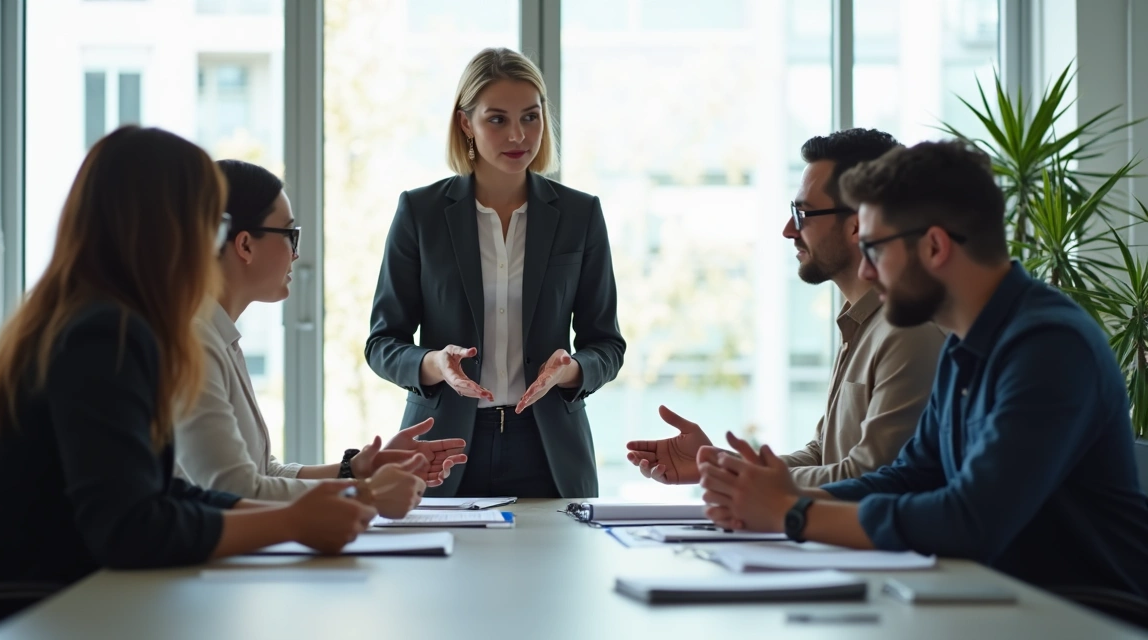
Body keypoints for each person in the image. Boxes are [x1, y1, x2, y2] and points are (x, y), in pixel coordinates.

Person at [0, 127, 377, 597]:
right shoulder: (104, 334)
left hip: (42, 596)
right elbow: (131, 529)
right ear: (169, 229)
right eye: (212, 225)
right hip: (9, 612)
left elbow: (162, 493)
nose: (215, 246)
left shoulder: (96, 318)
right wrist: (290, 522)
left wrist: (303, 511)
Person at [698, 140, 1148, 597]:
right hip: (994, 603)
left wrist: (792, 514)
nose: (867, 274)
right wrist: (781, 497)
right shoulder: (962, 345)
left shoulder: (1050, 347)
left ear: (934, 246)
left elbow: (971, 520)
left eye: (873, 249)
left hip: (1082, 618)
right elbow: (909, 477)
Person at [366, 47, 626, 498]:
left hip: (549, 451)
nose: (518, 135)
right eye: (497, 119)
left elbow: (606, 344)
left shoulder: (580, 214)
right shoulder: (420, 212)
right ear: (466, 122)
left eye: (530, 116)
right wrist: (433, 364)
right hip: (442, 448)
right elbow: (382, 343)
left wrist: (572, 371)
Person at [625, 129, 944, 487]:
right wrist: (718, 464)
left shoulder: (909, 332)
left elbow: (867, 478)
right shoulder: (859, 323)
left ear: (857, 225)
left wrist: (737, 477)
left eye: (803, 213)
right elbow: (823, 454)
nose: (789, 230)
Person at [173, 159, 468, 516]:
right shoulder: (194, 342)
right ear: (246, 245)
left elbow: (265, 472)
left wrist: (359, 469)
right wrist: (368, 494)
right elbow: (237, 491)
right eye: (289, 235)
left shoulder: (218, 336)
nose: (296, 254)